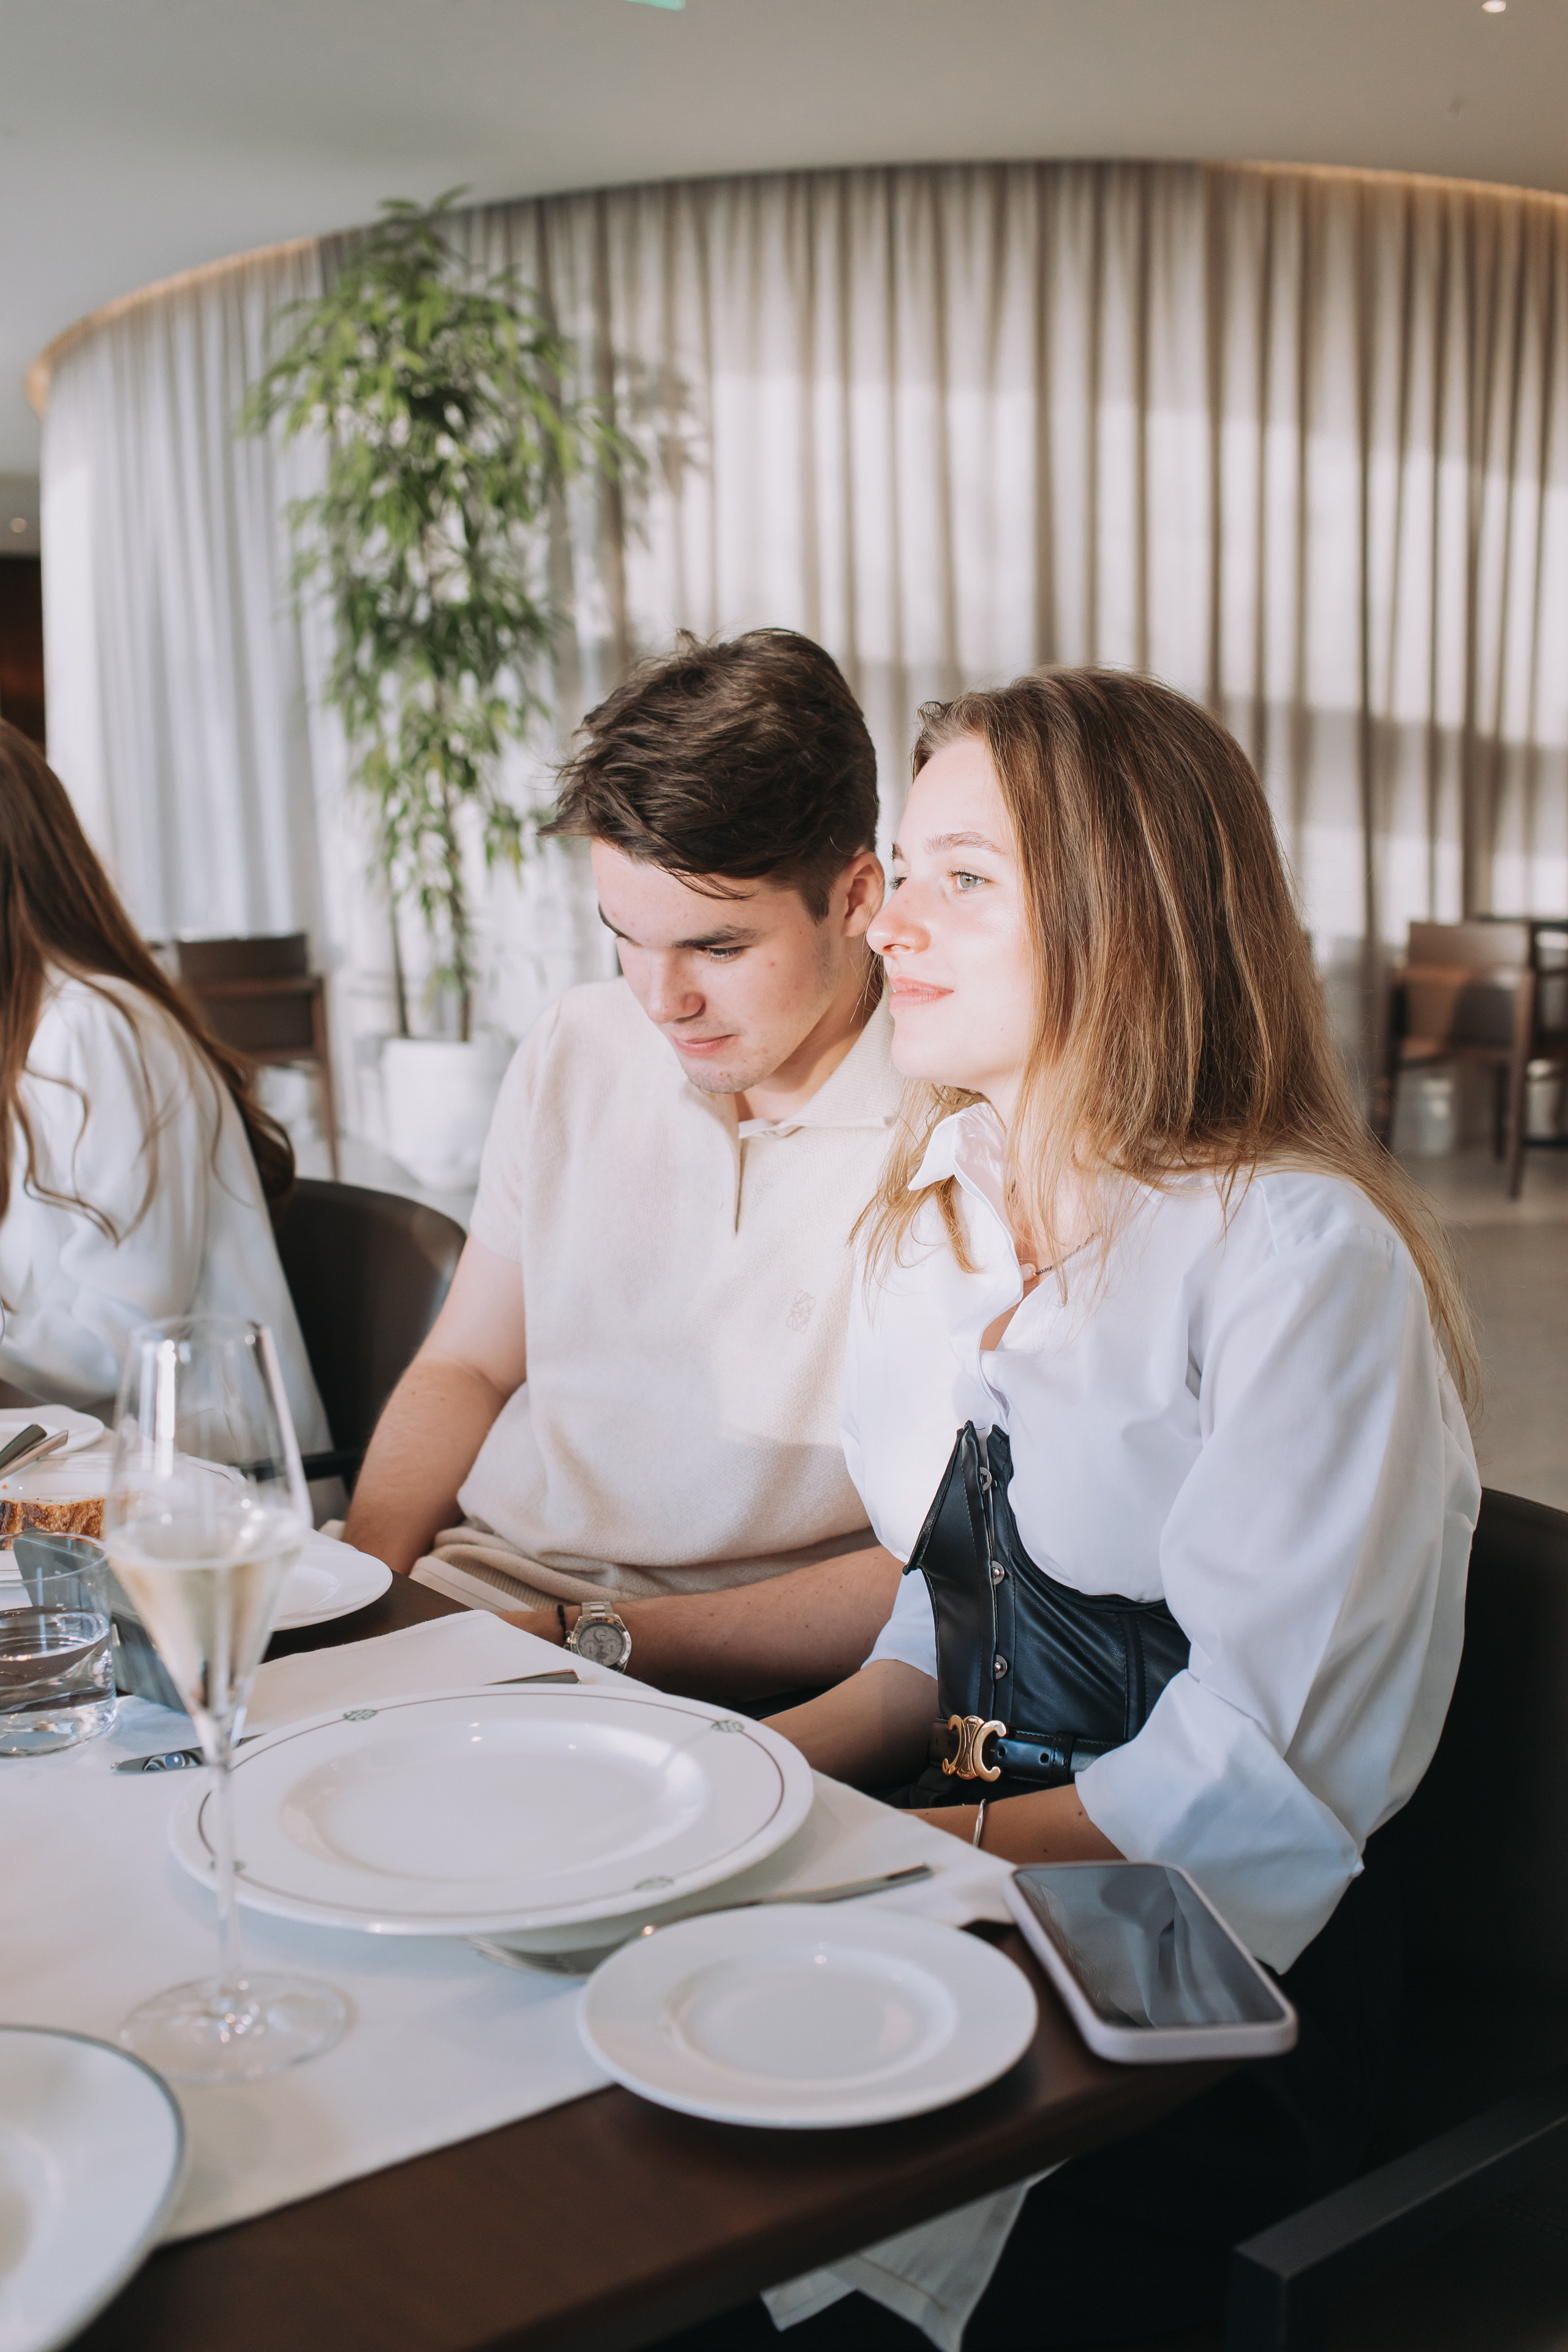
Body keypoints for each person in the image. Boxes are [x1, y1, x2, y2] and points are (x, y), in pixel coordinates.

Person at [666, 669, 1480, 2350]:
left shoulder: (1296, 1260)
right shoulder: (942, 1219)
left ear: (1134, 914)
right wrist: (748, 1791)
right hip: (969, 1892)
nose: (889, 918)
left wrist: (878, 1862)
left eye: (965, 877)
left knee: (716, 2262)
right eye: (904, 869)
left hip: (1204, 1997)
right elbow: (942, 1612)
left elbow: (1246, 1782)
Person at [343, 630, 905, 1694]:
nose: (661, 1002)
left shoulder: (955, 1125)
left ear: (855, 897)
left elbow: (937, 1576)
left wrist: (576, 1637)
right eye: (627, 936)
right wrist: (360, 1596)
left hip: (718, 1671)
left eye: (717, 947)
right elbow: (469, 1365)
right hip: (477, 1600)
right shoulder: (577, 1043)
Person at [0, 720, 329, 1448]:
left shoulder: (93, 1029)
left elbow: (117, 1340)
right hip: (69, 1458)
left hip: (194, 1478)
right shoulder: (28, 1030)